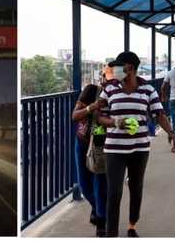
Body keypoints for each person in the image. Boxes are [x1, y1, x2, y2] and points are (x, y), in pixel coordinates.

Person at [96, 51, 175, 237]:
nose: (114, 70)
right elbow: (100, 116)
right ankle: (111, 234)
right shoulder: (109, 89)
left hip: (140, 148)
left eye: (118, 66)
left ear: (130, 68)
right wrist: (116, 122)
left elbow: (159, 114)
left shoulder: (148, 90)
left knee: (136, 187)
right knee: (114, 192)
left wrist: (171, 133)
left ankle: (132, 225)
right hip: (114, 148)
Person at [71, 70, 110, 237]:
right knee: (85, 186)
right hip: (83, 142)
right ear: (102, 79)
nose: (109, 82)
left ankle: (102, 220)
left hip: (103, 145)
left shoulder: (119, 97)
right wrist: (93, 106)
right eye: (106, 78)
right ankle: (97, 207)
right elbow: (75, 115)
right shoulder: (91, 90)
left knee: (101, 186)